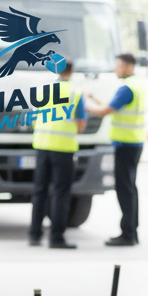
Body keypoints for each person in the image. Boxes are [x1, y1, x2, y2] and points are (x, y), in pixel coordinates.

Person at [87, 52, 146, 246]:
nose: (115, 68)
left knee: (125, 189)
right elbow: (112, 107)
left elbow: (105, 112)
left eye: (118, 65)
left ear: (129, 66)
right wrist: (95, 100)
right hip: (134, 143)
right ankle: (132, 232)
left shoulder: (126, 88)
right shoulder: (136, 85)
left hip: (126, 145)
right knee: (130, 188)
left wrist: (84, 104)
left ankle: (127, 234)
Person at [28, 60, 86, 249]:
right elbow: (81, 124)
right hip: (63, 148)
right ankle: (56, 238)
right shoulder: (75, 93)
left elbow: (33, 120)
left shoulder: (42, 91)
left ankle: (34, 236)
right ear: (71, 72)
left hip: (42, 146)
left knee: (39, 191)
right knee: (60, 193)